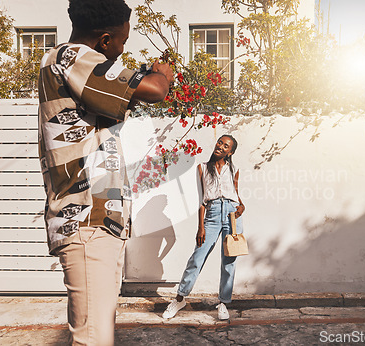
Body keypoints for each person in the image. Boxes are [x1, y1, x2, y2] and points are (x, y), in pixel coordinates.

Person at [37, 0, 174, 344]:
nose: (121, 51)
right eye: (122, 42)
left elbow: (119, 100)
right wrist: (163, 73)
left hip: (99, 221)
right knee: (93, 339)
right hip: (86, 221)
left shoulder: (74, 71)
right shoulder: (69, 58)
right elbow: (155, 90)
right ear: (104, 40)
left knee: (99, 333)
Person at [162, 135, 246, 320]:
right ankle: (180, 298)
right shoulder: (202, 168)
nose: (221, 147)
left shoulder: (234, 169)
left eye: (226, 146)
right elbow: (201, 200)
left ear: (230, 152)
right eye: (220, 143)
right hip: (213, 213)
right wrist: (201, 227)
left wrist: (241, 205)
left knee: (229, 261)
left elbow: (236, 193)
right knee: (197, 258)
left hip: (232, 214)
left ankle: (223, 303)